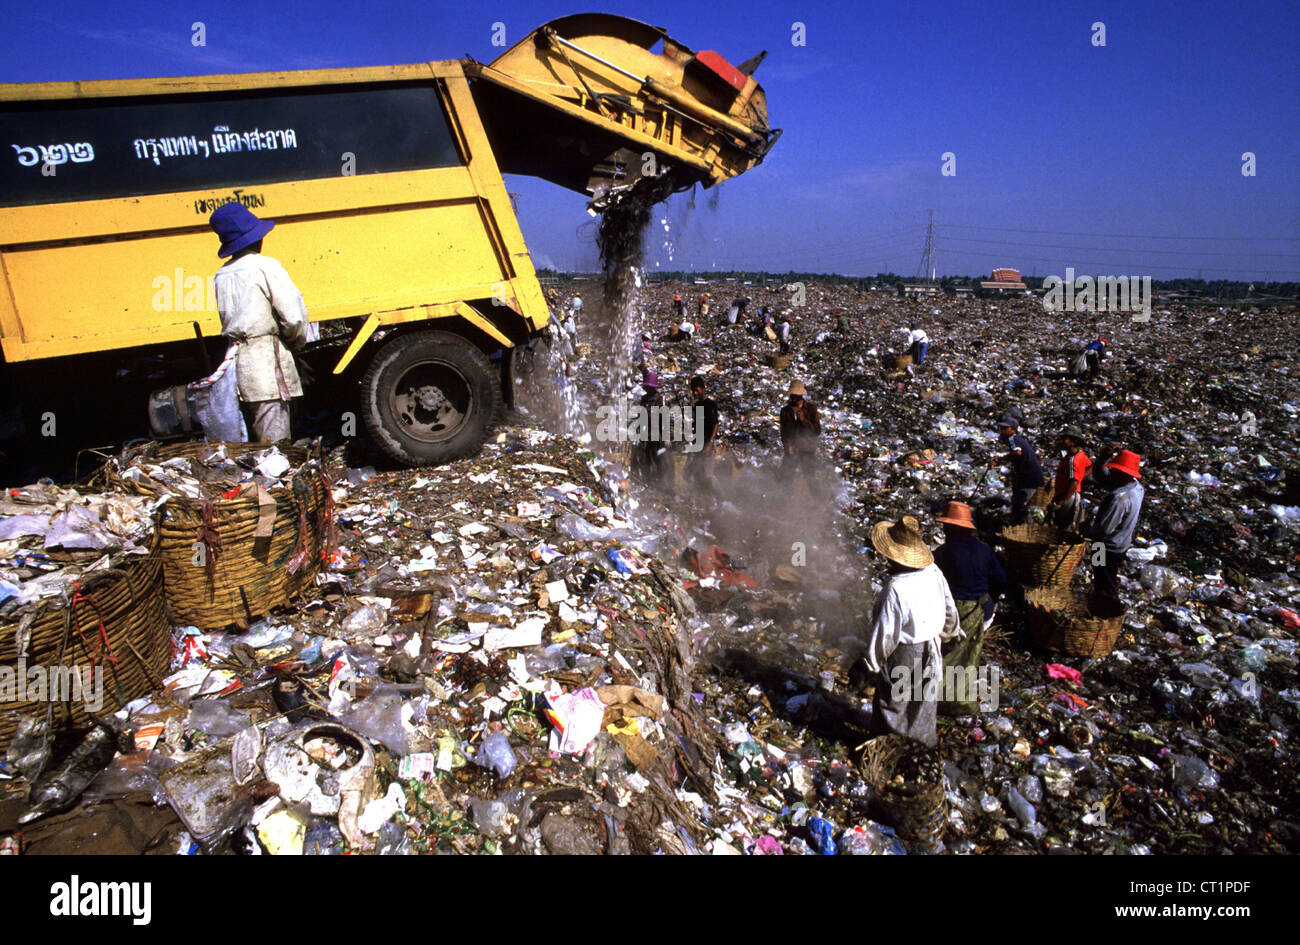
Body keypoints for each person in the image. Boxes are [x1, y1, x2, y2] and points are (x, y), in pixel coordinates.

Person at [209, 204, 310, 443]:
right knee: (275, 446)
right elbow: (293, 317)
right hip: (267, 361)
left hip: (240, 365)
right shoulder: (265, 266)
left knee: (257, 432)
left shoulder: (222, 275)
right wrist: (295, 344)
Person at [863, 514, 961, 746]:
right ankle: (921, 747)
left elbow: (885, 635)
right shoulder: (933, 572)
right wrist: (951, 633)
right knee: (923, 702)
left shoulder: (895, 588)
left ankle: (889, 748)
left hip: (904, 654)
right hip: (932, 648)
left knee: (895, 703)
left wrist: (870, 664)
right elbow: (950, 608)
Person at [932, 502, 1007, 714]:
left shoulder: (942, 553)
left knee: (943, 650)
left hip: (952, 614)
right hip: (981, 612)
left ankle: (939, 697)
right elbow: (1000, 579)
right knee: (968, 653)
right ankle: (958, 696)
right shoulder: (984, 550)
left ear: (949, 528)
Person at [1083, 449, 1145, 601]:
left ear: (1123, 474)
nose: (1111, 471)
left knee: (1103, 580)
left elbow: (1103, 530)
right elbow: (1101, 476)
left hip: (1105, 547)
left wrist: (1085, 529)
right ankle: (1101, 600)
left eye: (1115, 470)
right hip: (1121, 544)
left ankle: (1106, 609)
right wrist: (1103, 457)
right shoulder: (1136, 487)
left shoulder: (1119, 498)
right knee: (1103, 576)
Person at [989, 417, 1045, 525]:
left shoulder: (1012, 439)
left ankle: (1020, 529)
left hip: (1028, 478)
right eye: (1002, 428)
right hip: (1034, 477)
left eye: (1006, 428)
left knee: (1023, 506)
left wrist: (999, 459)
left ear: (1013, 430)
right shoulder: (1022, 440)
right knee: (1023, 503)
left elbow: (1017, 452)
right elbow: (1038, 454)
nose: (1003, 431)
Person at [1049, 427, 1093, 529]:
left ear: (1073, 442)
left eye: (1065, 438)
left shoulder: (1073, 460)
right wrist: (1080, 477)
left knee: (1061, 525)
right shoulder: (1079, 454)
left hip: (1068, 496)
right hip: (1068, 494)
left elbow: (1073, 482)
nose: (1062, 441)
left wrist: (1061, 502)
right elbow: (1091, 466)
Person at [778, 380, 821, 481]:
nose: (794, 399)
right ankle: (784, 496)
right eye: (792, 396)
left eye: (797, 397)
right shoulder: (785, 411)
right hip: (792, 449)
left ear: (801, 397)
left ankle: (817, 496)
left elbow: (817, 431)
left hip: (807, 449)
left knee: (811, 479)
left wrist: (803, 420)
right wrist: (787, 446)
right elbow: (783, 432)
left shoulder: (811, 409)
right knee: (786, 479)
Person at [632, 372, 669, 485]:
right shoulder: (644, 399)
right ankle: (647, 482)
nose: (647, 388)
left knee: (657, 458)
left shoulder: (659, 399)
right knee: (646, 458)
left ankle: (661, 482)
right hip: (645, 433)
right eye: (646, 386)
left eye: (649, 386)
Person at [684, 374, 718, 491]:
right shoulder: (696, 406)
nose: (695, 393)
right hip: (697, 443)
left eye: (697, 390)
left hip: (707, 443)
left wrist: (710, 443)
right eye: (693, 391)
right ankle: (697, 496)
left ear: (703, 388)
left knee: (708, 474)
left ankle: (716, 497)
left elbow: (715, 424)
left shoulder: (711, 404)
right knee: (690, 472)